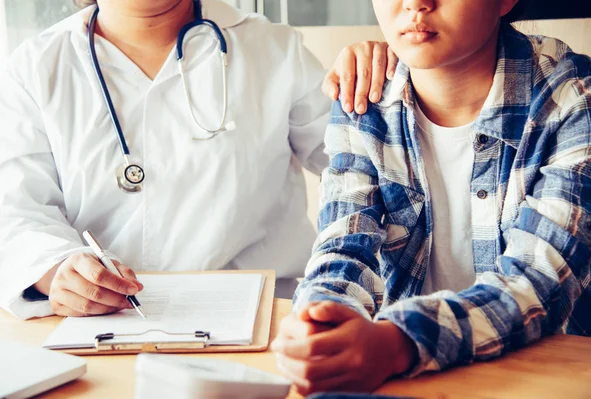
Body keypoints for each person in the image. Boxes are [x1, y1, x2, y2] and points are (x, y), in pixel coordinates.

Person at [272, 0, 591, 395]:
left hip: (543, 373)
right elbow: (342, 247)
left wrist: (399, 342)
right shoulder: (362, 95)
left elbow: (539, 282)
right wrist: (323, 322)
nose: (415, 4)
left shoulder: (575, 96)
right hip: (405, 377)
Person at [0, 0, 394, 319]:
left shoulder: (272, 48)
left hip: (265, 314)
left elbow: (365, 167)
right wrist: (55, 270)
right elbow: (15, 209)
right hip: (105, 323)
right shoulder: (36, 66)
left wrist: (390, 84)